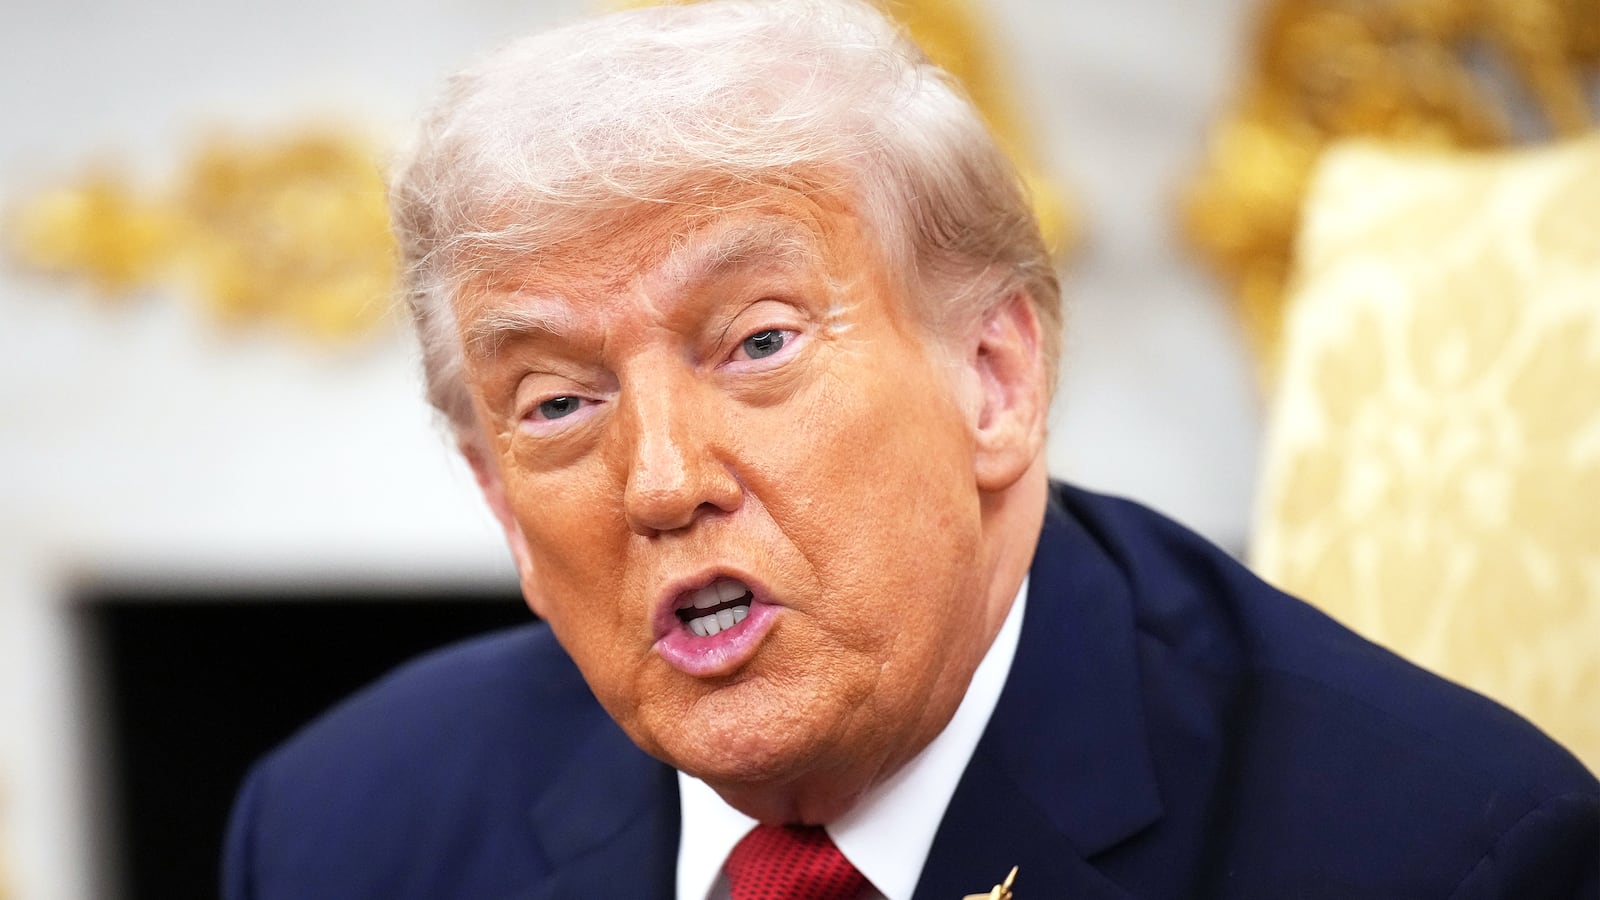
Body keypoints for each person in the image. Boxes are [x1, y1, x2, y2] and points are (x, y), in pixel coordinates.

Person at [222, 2, 1599, 897]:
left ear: (993, 379)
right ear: (501, 508)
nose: (660, 480)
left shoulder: (1443, 857)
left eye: (756, 343)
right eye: (558, 402)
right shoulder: (341, 832)